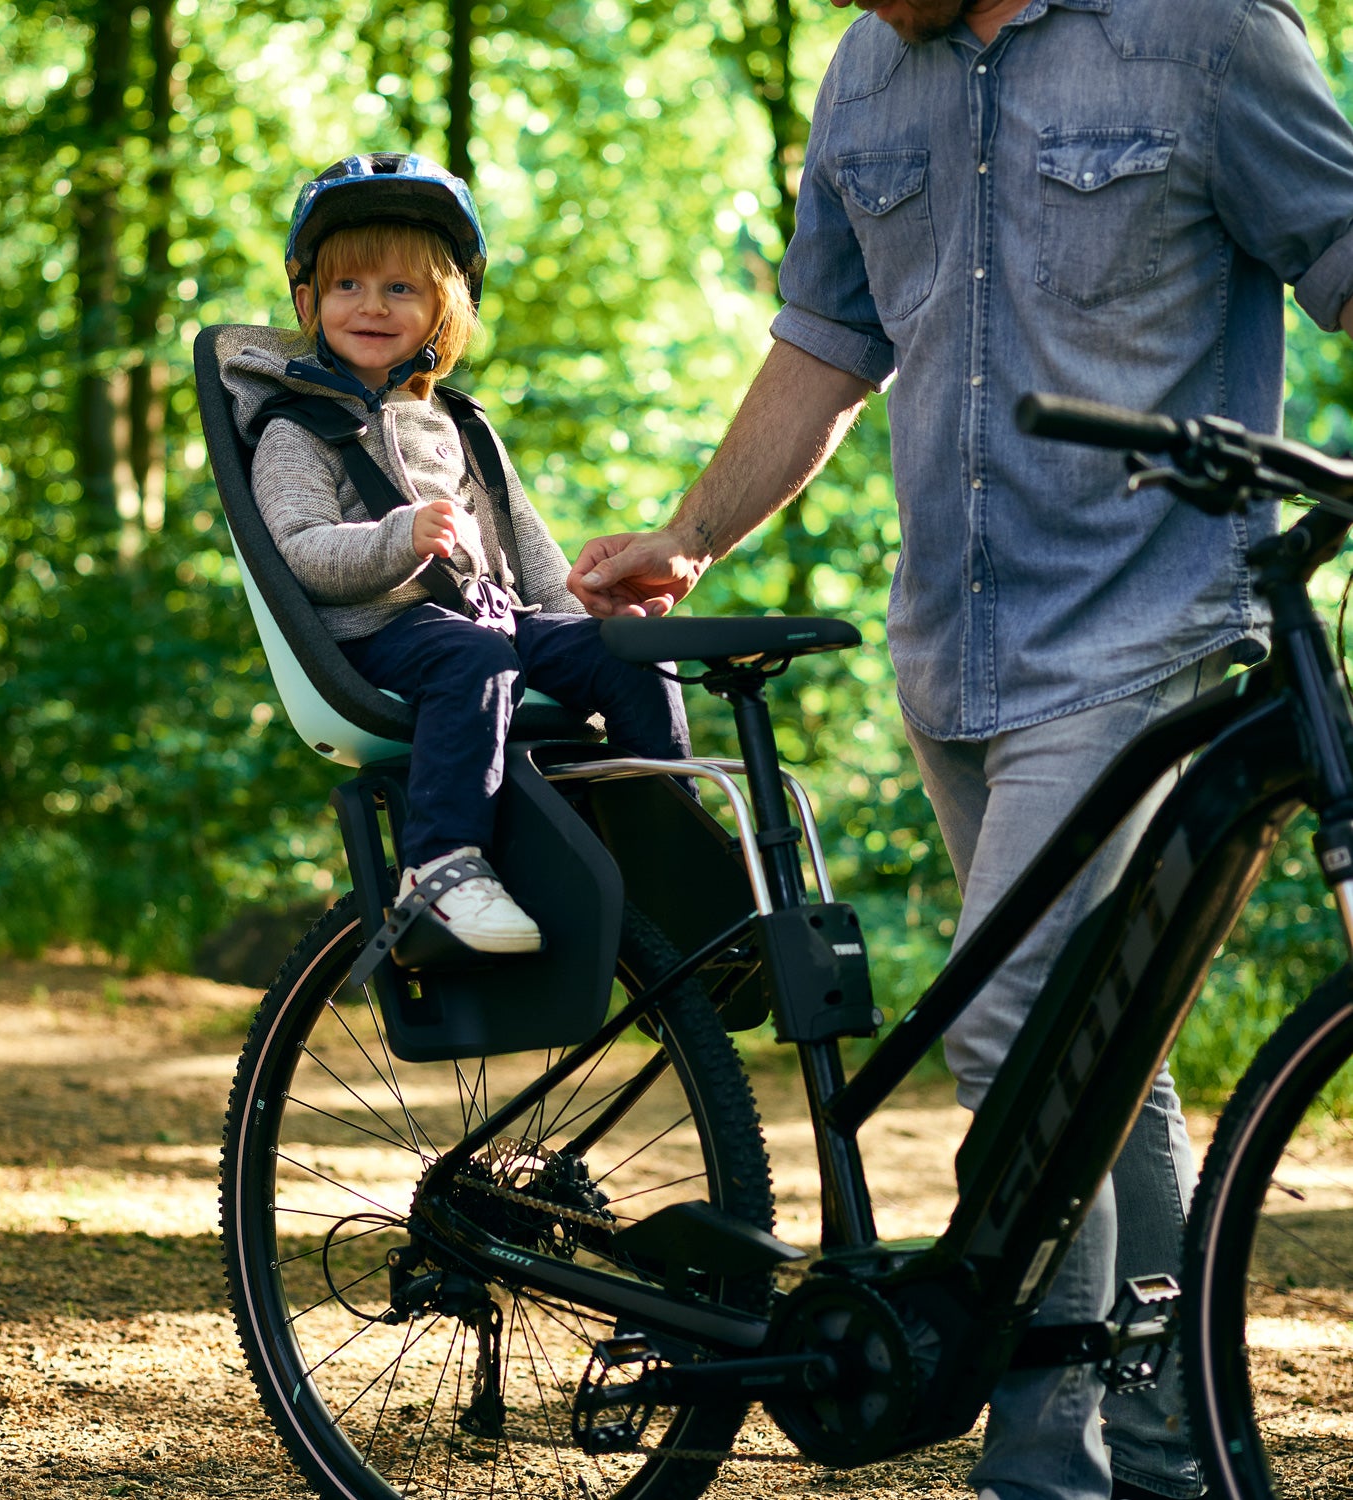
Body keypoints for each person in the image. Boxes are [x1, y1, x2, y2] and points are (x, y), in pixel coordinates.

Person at [568, 2, 1353, 1497]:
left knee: (1017, 1038)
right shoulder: (870, 66)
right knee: (1104, 1053)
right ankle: (1169, 1454)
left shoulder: (1208, 36)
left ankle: (1045, 1470)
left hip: (1143, 632)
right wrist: (691, 534)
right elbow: (827, 342)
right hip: (954, 648)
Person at [221, 152, 691, 956]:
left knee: (632, 657)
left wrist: (592, 611)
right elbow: (299, 552)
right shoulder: (296, 432)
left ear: (444, 308)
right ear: (308, 301)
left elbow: (529, 549)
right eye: (347, 284)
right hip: (383, 634)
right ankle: (439, 869)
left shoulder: (463, 425)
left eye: (401, 287)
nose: (373, 305)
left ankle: (665, 850)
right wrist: (399, 538)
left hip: (493, 620)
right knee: (473, 659)